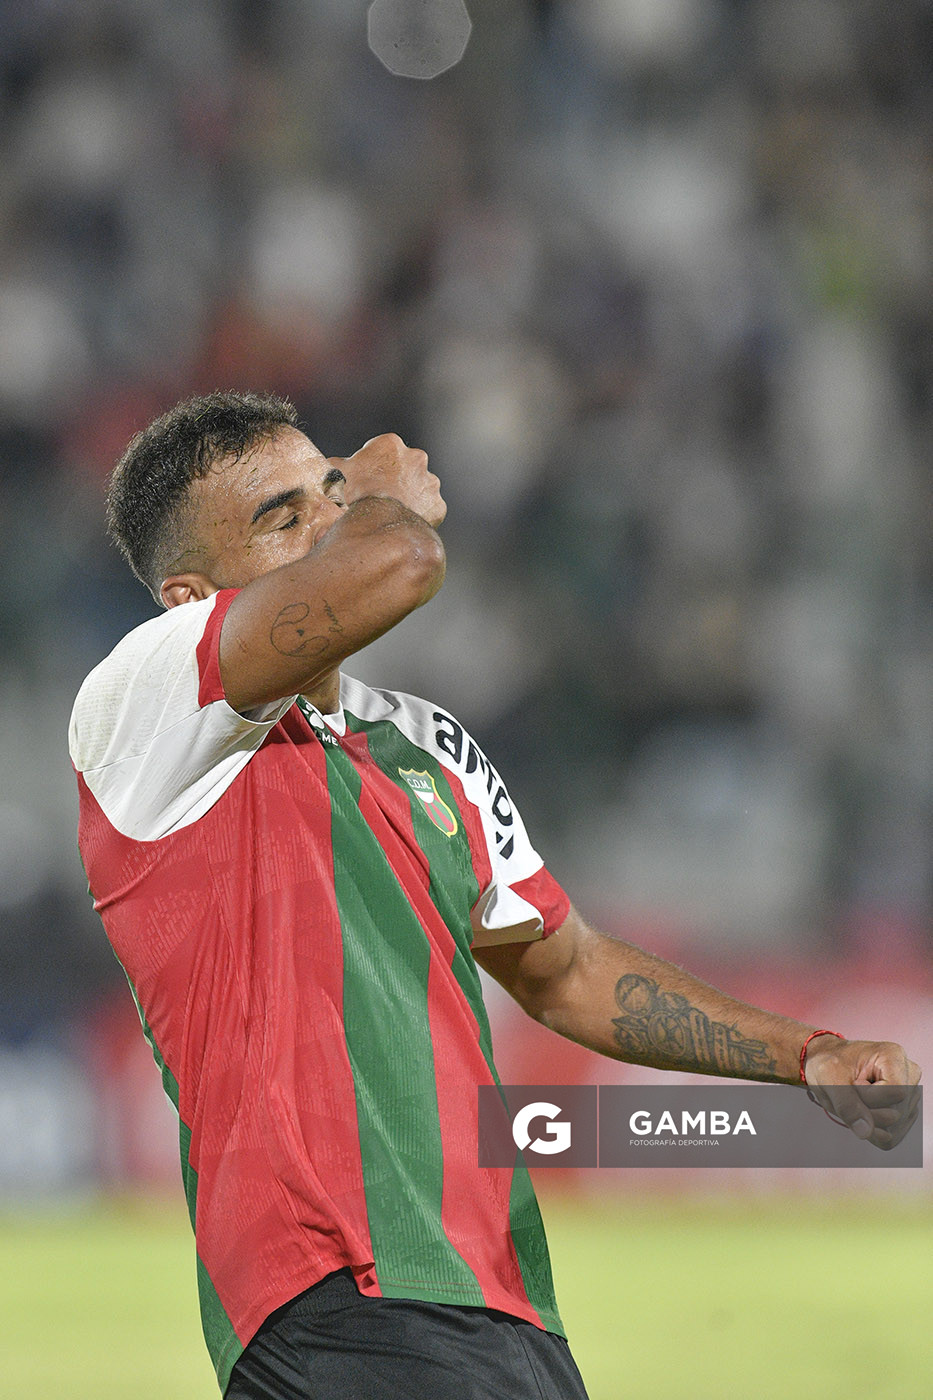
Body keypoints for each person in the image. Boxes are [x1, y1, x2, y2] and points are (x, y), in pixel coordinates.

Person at [69, 391, 920, 1400]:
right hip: (334, 1289)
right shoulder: (149, 700)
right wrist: (381, 495)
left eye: (327, 493)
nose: (327, 522)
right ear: (185, 597)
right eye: (280, 516)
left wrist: (807, 1053)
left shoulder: (424, 743)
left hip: (497, 1293)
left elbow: (566, 969)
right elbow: (401, 563)